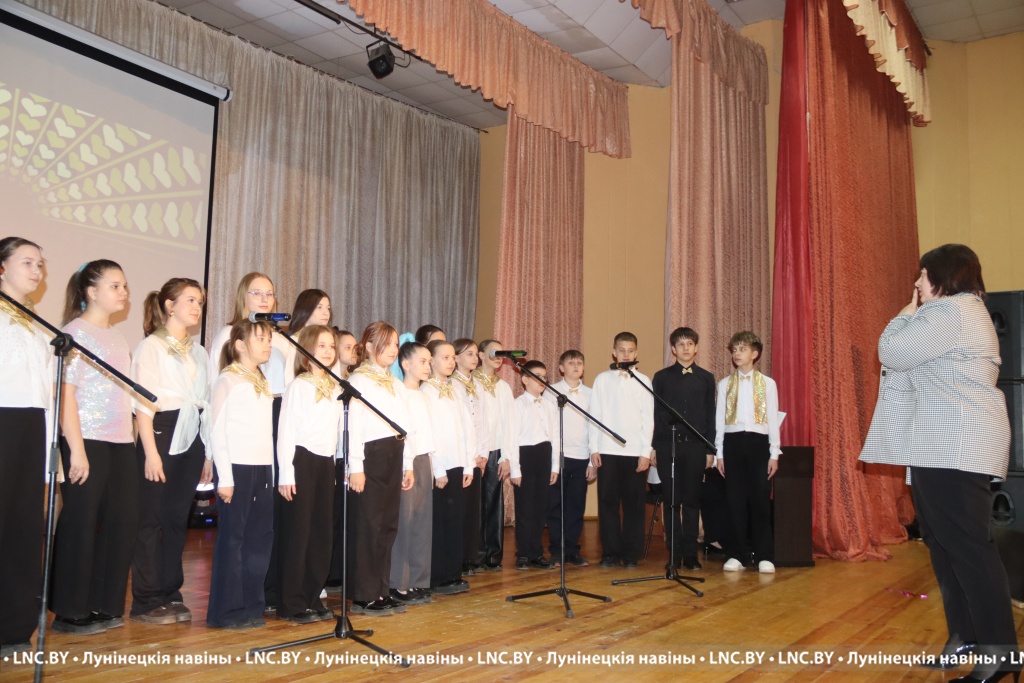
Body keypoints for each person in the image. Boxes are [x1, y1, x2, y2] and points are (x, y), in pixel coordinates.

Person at [861, 244, 1018, 682]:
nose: (916, 284)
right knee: (945, 545)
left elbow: (891, 351)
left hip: (956, 445)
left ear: (943, 276)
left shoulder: (952, 311)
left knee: (968, 548)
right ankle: (965, 637)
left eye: (922, 275)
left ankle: (999, 652)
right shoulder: (956, 313)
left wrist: (904, 313)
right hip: (939, 446)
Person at [50, 260, 137, 636]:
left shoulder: (118, 338)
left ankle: (105, 602)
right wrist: (77, 450)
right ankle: (70, 611)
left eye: (124, 286)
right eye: (115, 286)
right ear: (91, 291)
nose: (123, 292)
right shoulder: (74, 334)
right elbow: (66, 395)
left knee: (122, 521)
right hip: (85, 438)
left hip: (120, 441)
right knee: (81, 522)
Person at [129, 278, 213, 625]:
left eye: (200, 302)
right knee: (151, 518)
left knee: (177, 519)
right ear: (169, 305)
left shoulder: (200, 352)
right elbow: (142, 406)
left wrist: (207, 454)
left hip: (192, 434)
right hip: (161, 433)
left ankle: (169, 592)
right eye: (190, 300)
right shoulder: (151, 347)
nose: (197, 307)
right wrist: (151, 453)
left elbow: (206, 404)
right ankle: (146, 599)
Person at [206, 320, 275, 629]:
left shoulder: (262, 381)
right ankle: (227, 612)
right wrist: (225, 478)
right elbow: (217, 430)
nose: (267, 344)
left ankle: (251, 607)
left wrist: (272, 472)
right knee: (233, 541)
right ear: (239, 345)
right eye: (260, 339)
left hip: (262, 468)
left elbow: (265, 434)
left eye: (269, 339)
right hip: (237, 468)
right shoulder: (228, 380)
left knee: (258, 540)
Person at [0, 238, 51, 655]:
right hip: (3, 422)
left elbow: (46, 391)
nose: (37, 271)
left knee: (24, 528)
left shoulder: (36, 324)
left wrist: (50, 445)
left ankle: (14, 628)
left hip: (32, 427)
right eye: (27, 262)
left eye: (40, 264)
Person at [346, 322, 415, 615]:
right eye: (387, 343)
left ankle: (381, 590)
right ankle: (364, 594)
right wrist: (356, 466)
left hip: (394, 453)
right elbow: (353, 426)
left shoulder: (395, 384)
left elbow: (406, 427)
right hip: (370, 455)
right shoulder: (359, 381)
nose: (393, 349)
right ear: (369, 346)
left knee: (387, 525)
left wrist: (408, 463)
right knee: (369, 525)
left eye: (396, 344)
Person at [275, 325, 340, 623]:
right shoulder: (299, 386)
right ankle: (292, 603)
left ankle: (313, 596)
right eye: (321, 345)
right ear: (306, 350)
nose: (328, 351)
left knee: (321, 534)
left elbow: (335, 433)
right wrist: (286, 473)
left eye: (331, 346)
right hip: (302, 461)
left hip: (325, 464)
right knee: (299, 534)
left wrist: (335, 469)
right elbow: (286, 431)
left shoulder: (335, 387)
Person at [715, 331, 781, 575]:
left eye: (742, 349)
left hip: (758, 443)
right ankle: (737, 554)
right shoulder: (725, 384)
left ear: (755, 354)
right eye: (734, 350)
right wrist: (719, 453)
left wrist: (774, 453)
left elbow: (772, 419)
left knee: (760, 501)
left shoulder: (768, 384)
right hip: (732, 444)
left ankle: (764, 555)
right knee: (735, 502)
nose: (737, 354)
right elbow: (719, 422)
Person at [652, 327, 716, 571]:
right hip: (668, 446)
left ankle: (690, 554)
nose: (686, 348)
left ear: (696, 347)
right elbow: (656, 415)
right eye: (680, 344)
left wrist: (710, 449)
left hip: (696, 447)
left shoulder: (706, 378)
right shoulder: (661, 377)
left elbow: (710, 414)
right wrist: (654, 447)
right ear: (673, 349)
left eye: (690, 343)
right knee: (671, 502)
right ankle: (674, 554)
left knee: (691, 501)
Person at [589, 332, 653, 569]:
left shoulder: (644, 381)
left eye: (630, 350)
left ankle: (631, 554)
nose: (626, 354)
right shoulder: (602, 379)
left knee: (634, 505)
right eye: (622, 350)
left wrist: (645, 452)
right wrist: (594, 448)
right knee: (608, 504)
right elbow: (594, 415)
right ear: (614, 352)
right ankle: (611, 553)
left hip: (635, 452)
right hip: (607, 451)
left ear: (636, 353)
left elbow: (648, 419)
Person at [422, 339, 474, 595]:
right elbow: (430, 433)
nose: (451, 362)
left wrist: (469, 465)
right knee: (440, 522)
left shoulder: (455, 389)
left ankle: (453, 572)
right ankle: (438, 576)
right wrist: (439, 469)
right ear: (431, 361)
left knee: (455, 521)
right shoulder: (427, 391)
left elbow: (466, 428)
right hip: (441, 467)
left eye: (453, 357)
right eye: (446, 357)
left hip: (458, 463)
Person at [390, 341, 436, 605]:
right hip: (407, 461)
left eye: (429, 361)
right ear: (405, 364)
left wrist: (433, 465)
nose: (428, 366)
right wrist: (407, 464)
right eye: (422, 361)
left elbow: (430, 435)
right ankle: (399, 581)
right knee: (404, 522)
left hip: (424, 459)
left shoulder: (424, 395)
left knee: (421, 523)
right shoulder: (399, 394)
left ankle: (419, 579)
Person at [544, 350, 594, 567]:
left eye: (579, 363)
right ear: (561, 367)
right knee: (555, 506)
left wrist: (591, 461)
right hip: (558, 457)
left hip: (581, 456)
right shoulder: (550, 392)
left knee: (576, 506)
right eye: (571, 363)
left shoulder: (591, 394)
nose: (575, 366)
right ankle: (557, 551)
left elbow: (593, 429)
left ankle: (572, 550)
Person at [473, 339, 520, 570]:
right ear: (481, 355)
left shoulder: (503, 387)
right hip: (475, 453)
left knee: (493, 503)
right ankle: (474, 555)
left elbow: (510, 424)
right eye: (493, 352)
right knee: (475, 504)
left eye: (501, 353)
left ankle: (493, 555)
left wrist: (507, 456)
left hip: (497, 452)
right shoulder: (470, 382)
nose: (498, 356)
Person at [514, 360, 559, 569]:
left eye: (544, 376)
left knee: (540, 508)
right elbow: (511, 438)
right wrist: (515, 468)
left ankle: (536, 553)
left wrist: (555, 466)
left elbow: (555, 437)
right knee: (525, 508)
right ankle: (523, 553)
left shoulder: (550, 405)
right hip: (525, 456)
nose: (542, 380)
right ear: (525, 379)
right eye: (537, 376)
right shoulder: (517, 405)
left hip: (544, 455)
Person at [450, 338, 489, 575]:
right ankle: (459, 558)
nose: (475, 358)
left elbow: (482, 421)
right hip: (462, 455)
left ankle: (471, 555)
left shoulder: (478, 385)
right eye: (469, 354)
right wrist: (470, 454)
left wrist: (483, 453)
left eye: (476, 354)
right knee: (461, 508)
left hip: (477, 456)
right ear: (456, 358)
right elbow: (460, 426)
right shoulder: (452, 386)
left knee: (474, 509)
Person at [282, 288, 335, 384]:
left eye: (328, 308)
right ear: (305, 309)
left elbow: (335, 378)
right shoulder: (291, 343)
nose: (326, 312)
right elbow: (289, 380)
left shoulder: (330, 342)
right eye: (319, 307)